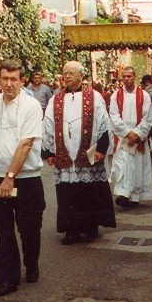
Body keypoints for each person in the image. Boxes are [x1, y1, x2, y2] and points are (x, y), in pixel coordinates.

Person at [0, 60, 46, 296]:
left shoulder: (31, 106)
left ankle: (31, 265)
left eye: (14, 79)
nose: (9, 83)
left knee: (29, 228)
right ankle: (8, 279)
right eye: (5, 78)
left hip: (26, 178)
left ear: (22, 81)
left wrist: (10, 177)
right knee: (4, 230)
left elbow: (26, 143)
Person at [43, 61, 116, 245]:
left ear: (81, 76)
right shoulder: (56, 99)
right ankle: (71, 231)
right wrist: (48, 151)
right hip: (65, 153)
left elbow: (104, 124)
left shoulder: (95, 96)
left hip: (88, 151)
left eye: (71, 73)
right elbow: (48, 125)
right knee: (68, 193)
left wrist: (101, 149)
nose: (67, 76)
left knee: (89, 191)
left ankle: (91, 227)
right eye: (65, 73)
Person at [108, 67, 152, 207]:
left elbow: (147, 118)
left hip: (138, 137)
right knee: (123, 166)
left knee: (137, 166)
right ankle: (123, 195)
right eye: (124, 76)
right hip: (123, 137)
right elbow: (114, 116)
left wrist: (137, 134)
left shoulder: (144, 95)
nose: (126, 79)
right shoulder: (115, 95)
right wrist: (128, 133)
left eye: (129, 76)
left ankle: (135, 196)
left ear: (134, 76)